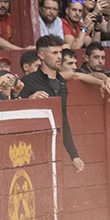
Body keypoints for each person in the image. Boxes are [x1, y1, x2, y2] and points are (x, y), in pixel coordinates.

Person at [19, 35, 85, 171]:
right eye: (54, 53)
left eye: (60, 52)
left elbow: (63, 120)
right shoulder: (27, 82)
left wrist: (74, 155)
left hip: (54, 149)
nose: (59, 56)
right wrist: (28, 101)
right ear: (41, 55)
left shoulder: (62, 84)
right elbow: (14, 113)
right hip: (29, 151)